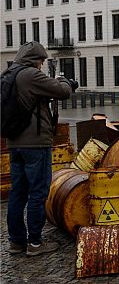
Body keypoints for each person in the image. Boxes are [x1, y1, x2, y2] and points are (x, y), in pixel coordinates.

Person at [5, 42, 76, 256]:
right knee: (38, 192)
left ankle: (16, 242)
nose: (42, 66)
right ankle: (35, 243)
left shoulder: (10, 74)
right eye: (41, 61)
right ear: (35, 59)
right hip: (35, 144)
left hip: (15, 143)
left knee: (18, 193)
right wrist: (63, 80)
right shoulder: (30, 75)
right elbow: (63, 91)